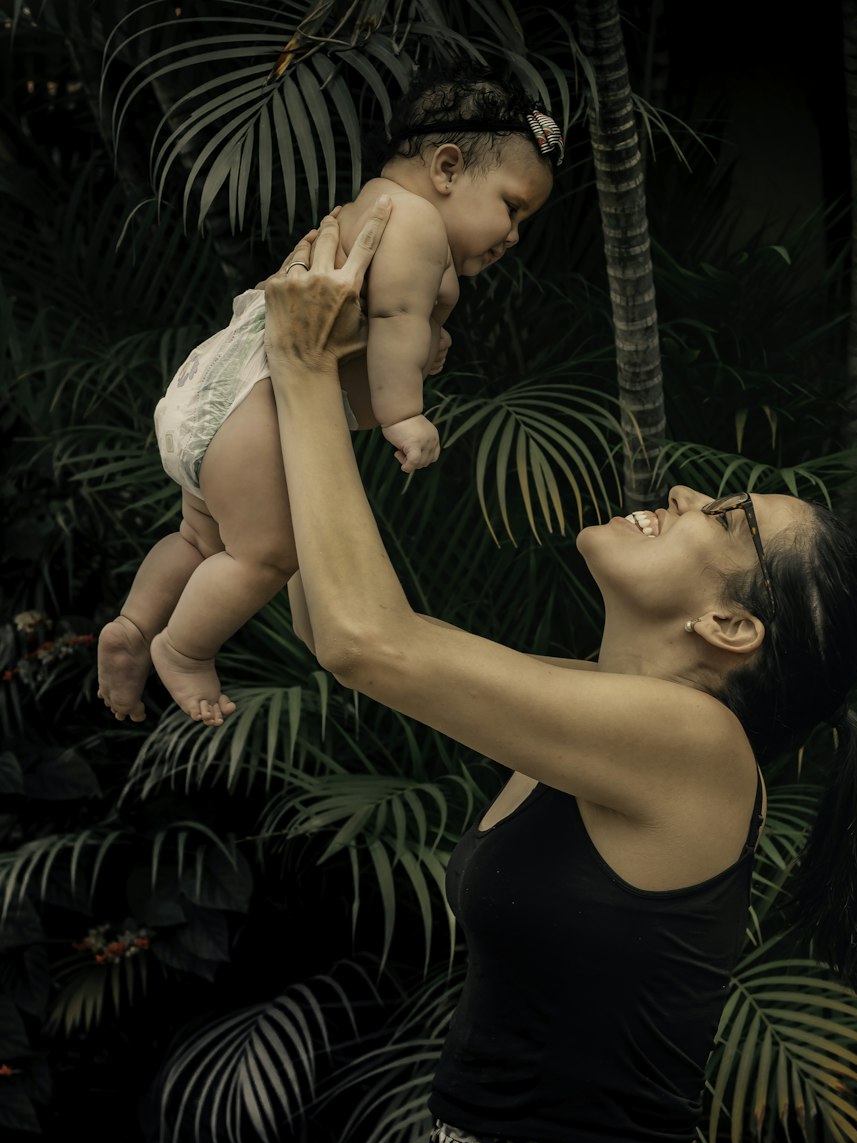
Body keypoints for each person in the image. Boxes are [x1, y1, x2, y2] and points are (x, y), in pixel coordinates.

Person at [261, 203, 857, 1143]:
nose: (690, 489)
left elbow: (364, 641)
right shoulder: (586, 711)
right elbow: (330, 611)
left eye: (726, 517)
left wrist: (298, 374)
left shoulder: (697, 749)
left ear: (729, 623)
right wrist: (333, 390)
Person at [96, 69, 562, 727]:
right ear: (448, 167)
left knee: (201, 539)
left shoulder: (367, 206)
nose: (514, 234)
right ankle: (182, 648)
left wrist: (417, 351)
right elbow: (398, 318)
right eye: (512, 207)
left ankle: (134, 623)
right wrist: (406, 414)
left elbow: (360, 353)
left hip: (211, 386)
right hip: (255, 400)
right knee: (266, 554)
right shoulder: (416, 220)